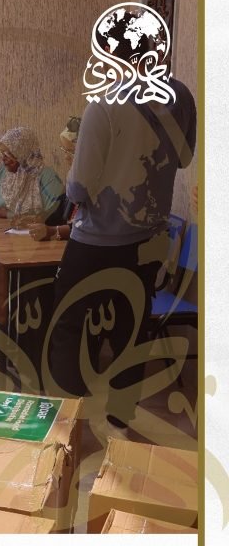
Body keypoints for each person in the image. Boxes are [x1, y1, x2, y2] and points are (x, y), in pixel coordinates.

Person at [45, 33, 197, 429]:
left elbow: (79, 189)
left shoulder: (105, 104)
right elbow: (184, 159)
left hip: (97, 240)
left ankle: (67, 420)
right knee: (132, 326)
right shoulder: (181, 96)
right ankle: (121, 419)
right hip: (150, 238)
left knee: (69, 323)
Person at [0, 127, 64, 224]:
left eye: (8, 154)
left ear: (23, 153)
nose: (3, 159)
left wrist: (8, 214)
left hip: (31, 232)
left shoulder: (48, 178)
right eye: (2, 153)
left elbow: (52, 217)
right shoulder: (1, 172)